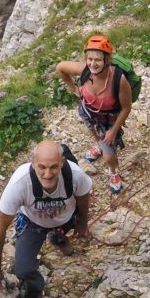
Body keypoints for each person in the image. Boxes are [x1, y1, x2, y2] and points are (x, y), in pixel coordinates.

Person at [0, 141, 91, 298]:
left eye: (53, 167)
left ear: (62, 163)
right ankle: (35, 290)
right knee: (22, 269)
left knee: (60, 231)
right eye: (42, 167)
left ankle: (58, 238)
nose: (47, 174)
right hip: (33, 222)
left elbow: (83, 199)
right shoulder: (20, 183)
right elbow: (0, 224)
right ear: (33, 164)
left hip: (65, 219)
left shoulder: (75, 175)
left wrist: (83, 223)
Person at [55, 34, 132, 194]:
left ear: (106, 60)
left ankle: (113, 171)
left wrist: (113, 131)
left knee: (109, 155)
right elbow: (60, 68)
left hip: (109, 120)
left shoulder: (119, 79)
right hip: (88, 112)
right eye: (89, 59)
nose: (93, 63)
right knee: (94, 133)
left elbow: (126, 107)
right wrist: (74, 90)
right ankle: (98, 145)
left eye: (97, 59)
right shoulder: (84, 70)